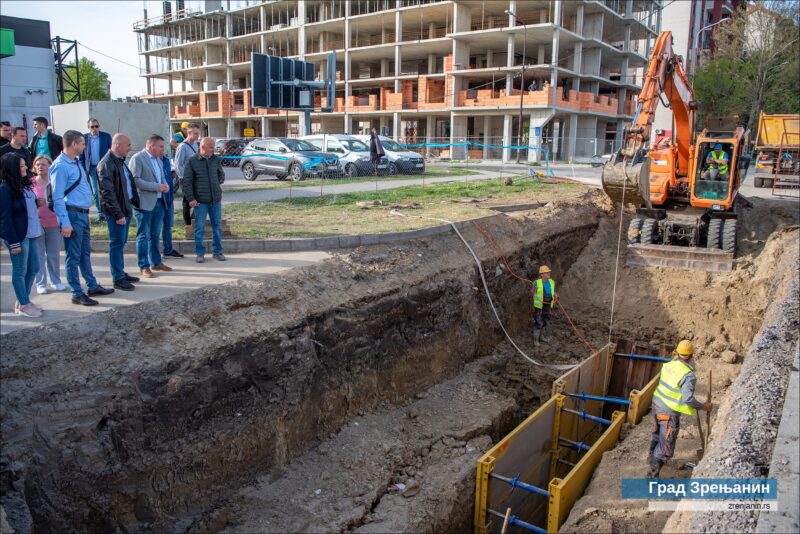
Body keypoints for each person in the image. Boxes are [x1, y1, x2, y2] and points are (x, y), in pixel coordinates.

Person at [50, 129, 114, 306]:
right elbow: (57, 197)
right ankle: (76, 292)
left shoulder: (74, 162)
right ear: (74, 144)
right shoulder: (60, 166)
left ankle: (92, 285)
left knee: (85, 253)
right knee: (73, 256)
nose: (85, 146)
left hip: (82, 215)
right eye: (83, 143)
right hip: (72, 214)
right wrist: (65, 222)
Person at [647, 339, 713, 478]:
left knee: (657, 434)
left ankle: (651, 457)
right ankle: (652, 475)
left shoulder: (668, 365)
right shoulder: (688, 375)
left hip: (656, 404)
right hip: (668, 412)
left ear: (677, 353)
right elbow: (687, 398)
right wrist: (703, 406)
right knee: (666, 444)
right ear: (690, 356)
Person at [0, 153, 43, 317]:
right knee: (20, 270)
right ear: (12, 169)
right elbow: (5, 217)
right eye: (21, 166)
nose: (25, 167)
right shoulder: (5, 189)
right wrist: (13, 241)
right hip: (18, 236)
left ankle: (22, 300)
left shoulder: (23, 184)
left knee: (34, 268)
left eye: (25, 164)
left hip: (31, 232)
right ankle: (24, 304)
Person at [98, 134, 140, 291]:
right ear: (118, 145)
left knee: (121, 243)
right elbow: (107, 193)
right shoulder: (107, 164)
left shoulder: (119, 162)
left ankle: (120, 272)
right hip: (117, 212)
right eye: (128, 145)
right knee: (116, 244)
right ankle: (117, 277)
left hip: (125, 207)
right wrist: (118, 214)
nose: (130, 148)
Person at [129, 134, 172, 277]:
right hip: (144, 203)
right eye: (160, 146)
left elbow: (162, 177)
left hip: (159, 202)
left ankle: (156, 262)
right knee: (143, 235)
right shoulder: (138, 158)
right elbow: (135, 181)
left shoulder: (158, 160)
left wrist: (165, 184)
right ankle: (144, 266)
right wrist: (157, 187)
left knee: (155, 234)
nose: (162, 149)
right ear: (151, 145)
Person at [183, 137, 225, 263]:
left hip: (215, 200)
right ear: (203, 147)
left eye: (213, 147)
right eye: (211, 147)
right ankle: (200, 253)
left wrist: (217, 183)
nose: (214, 150)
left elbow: (221, 175)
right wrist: (191, 198)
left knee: (217, 227)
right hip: (200, 201)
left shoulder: (215, 160)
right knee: (199, 227)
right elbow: (187, 182)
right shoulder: (192, 161)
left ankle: (217, 252)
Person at [31, 155, 67, 294]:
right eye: (38, 164)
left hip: (53, 222)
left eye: (44, 164)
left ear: (50, 166)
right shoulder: (30, 183)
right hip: (37, 223)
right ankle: (41, 283)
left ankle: (56, 281)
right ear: (34, 167)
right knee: (39, 254)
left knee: (53, 254)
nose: (40, 167)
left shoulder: (55, 181)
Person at [79, 118, 112, 222]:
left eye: (96, 126)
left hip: (104, 168)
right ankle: (100, 213)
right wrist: (83, 169)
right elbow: (81, 156)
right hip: (92, 168)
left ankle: (107, 212)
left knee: (105, 190)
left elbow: (111, 152)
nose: (94, 128)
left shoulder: (106, 137)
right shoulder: (84, 138)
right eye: (92, 126)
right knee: (96, 191)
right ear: (88, 127)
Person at [173, 123, 201, 229]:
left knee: (198, 200)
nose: (198, 135)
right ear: (189, 133)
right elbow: (178, 165)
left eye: (198, 133)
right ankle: (188, 225)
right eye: (195, 133)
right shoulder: (182, 147)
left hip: (195, 179)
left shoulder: (195, 144)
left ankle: (194, 222)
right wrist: (184, 179)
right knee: (187, 201)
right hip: (185, 179)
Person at [532, 265, 558, 346]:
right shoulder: (536, 282)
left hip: (548, 305)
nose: (549, 273)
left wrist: (556, 295)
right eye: (546, 272)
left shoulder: (551, 281)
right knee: (538, 322)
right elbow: (532, 292)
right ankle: (536, 340)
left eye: (548, 272)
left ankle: (541, 337)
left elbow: (553, 291)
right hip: (539, 306)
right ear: (542, 274)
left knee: (545, 321)